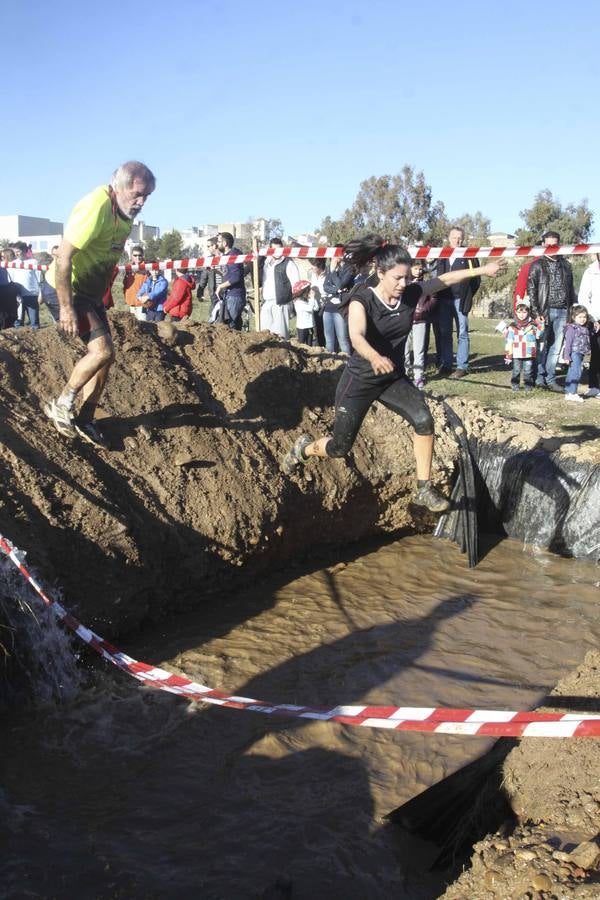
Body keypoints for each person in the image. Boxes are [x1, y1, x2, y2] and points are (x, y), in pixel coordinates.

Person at [281, 234, 503, 512]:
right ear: (380, 272)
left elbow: (444, 280)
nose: (404, 284)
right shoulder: (363, 299)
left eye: (408, 278)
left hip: (392, 378)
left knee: (424, 419)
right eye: (398, 278)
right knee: (340, 447)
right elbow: (356, 335)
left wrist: (482, 269)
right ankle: (303, 448)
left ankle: (424, 488)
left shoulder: (409, 293)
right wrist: (374, 356)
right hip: (360, 379)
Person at [43, 160, 156, 448]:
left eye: (147, 197)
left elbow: (110, 255)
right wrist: (66, 307)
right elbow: (63, 258)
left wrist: (101, 295)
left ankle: (86, 416)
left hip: (90, 295)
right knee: (101, 351)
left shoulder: (126, 215)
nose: (141, 202)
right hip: (66, 288)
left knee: (108, 356)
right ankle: (62, 403)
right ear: (119, 186)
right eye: (137, 195)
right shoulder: (96, 207)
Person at [527, 230, 576, 391]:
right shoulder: (536, 265)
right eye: (548, 245)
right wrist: (536, 313)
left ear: (559, 245)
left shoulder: (566, 265)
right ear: (543, 245)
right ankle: (539, 379)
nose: (551, 247)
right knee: (542, 347)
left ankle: (551, 379)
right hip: (544, 312)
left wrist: (572, 311)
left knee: (556, 348)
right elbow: (532, 290)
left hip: (563, 311)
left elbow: (571, 290)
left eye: (554, 244)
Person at [434, 226, 480, 378]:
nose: (457, 240)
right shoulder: (442, 255)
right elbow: (437, 276)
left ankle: (462, 367)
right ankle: (446, 365)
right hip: (444, 300)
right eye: (454, 237)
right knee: (445, 333)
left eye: (460, 237)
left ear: (463, 239)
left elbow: (476, 279)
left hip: (461, 300)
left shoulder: (470, 255)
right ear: (449, 238)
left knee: (462, 333)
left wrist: (467, 294)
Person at [404, 260, 437, 389]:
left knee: (419, 349)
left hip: (420, 320)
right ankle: (405, 374)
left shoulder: (427, 282)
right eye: (416, 268)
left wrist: (424, 309)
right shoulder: (404, 282)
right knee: (405, 349)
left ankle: (419, 376)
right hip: (406, 319)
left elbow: (434, 298)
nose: (418, 271)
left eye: (420, 269)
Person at [501, 298, 545, 392]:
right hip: (517, 353)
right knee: (516, 370)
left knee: (528, 371)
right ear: (516, 312)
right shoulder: (512, 326)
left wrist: (541, 325)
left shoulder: (533, 325)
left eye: (524, 312)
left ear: (528, 312)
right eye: (519, 312)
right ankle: (515, 385)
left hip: (528, 353)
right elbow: (509, 341)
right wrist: (508, 355)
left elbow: (538, 335)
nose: (522, 315)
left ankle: (528, 386)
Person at [260, 238, 299, 339]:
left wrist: (290, 302)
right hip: (267, 302)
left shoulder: (288, 263)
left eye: (279, 249)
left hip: (281, 303)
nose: (277, 253)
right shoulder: (266, 263)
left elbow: (296, 284)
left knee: (280, 335)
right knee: (265, 334)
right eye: (274, 250)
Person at [322, 250, 356, 354]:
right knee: (329, 340)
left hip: (340, 309)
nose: (334, 257)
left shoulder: (349, 269)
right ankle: (331, 364)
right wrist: (337, 290)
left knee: (343, 340)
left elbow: (341, 284)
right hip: (328, 308)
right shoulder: (331, 267)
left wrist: (333, 273)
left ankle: (347, 365)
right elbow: (325, 287)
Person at [577, 253, 600, 398]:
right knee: (597, 353)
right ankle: (594, 386)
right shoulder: (590, 272)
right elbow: (584, 297)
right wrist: (592, 318)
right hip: (596, 318)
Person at [215, 232, 246, 330]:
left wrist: (220, 286)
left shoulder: (233, 255)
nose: (217, 244)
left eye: (219, 241)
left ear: (225, 243)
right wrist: (215, 270)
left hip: (235, 296)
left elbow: (236, 277)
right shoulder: (226, 256)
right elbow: (228, 274)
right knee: (229, 325)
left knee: (231, 328)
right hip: (229, 295)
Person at [561, 305, 591, 403]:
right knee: (576, 373)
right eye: (580, 317)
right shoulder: (571, 328)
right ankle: (572, 393)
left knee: (573, 372)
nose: (583, 319)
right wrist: (566, 356)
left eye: (584, 317)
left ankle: (569, 392)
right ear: (574, 317)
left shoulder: (584, 328)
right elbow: (568, 343)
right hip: (574, 353)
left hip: (581, 353)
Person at [10, 241, 41, 328]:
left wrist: (40, 294)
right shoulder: (13, 264)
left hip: (31, 295)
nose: (16, 254)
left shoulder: (33, 262)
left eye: (18, 252)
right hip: (18, 296)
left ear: (24, 250)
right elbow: (12, 279)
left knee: (34, 322)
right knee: (18, 322)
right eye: (14, 252)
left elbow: (39, 279)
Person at [291, 279, 319, 346]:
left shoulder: (307, 300)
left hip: (310, 326)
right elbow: (309, 308)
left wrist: (313, 298)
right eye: (309, 290)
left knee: (309, 345)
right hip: (302, 328)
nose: (310, 291)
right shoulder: (298, 302)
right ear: (304, 292)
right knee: (302, 345)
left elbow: (316, 308)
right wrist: (312, 298)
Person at [123, 245, 148, 320]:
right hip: (131, 303)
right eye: (135, 255)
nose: (138, 257)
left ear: (143, 256)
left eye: (140, 255)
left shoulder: (147, 268)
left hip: (142, 304)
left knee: (144, 326)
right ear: (132, 256)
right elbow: (125, 284)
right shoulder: (128, 268)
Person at [307, 257, 327, 347]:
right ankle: (321, 348)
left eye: (313, 266)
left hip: (325, 306)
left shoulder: (327, 274)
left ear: (319, 266)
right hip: (315, 306)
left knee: (327, 330)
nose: (311, 268)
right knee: (318, 330)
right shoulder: (311, 274)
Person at [0, 248, 22, 329]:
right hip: (4, 290)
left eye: (3, 257)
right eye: (2, 257)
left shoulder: (7, 266)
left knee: (8, 315)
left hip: (7, 290)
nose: (3, 259)